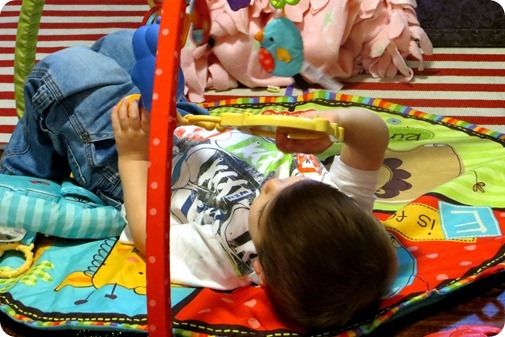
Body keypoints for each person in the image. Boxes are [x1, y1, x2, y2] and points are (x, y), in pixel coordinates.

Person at [1, 30, 397, 332]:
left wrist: (135, 154)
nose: (273, 185)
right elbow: (373, 136)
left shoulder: (227, 260)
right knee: (130, 45)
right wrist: (335, 125)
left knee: (67, 70)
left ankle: (22, 173)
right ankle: (50, 141)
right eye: (296, 186)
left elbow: (147, 235)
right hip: (189, 121)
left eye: (264, 208)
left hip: (129, 162)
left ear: (265, 268)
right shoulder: (343, 212)